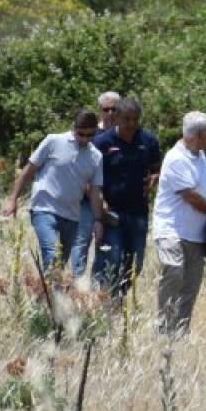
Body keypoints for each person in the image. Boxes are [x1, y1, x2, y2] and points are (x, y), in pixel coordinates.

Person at [3, 110, 108, 273]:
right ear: (74, 128)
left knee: (58, 267)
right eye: (81, 134)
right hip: (44, 210)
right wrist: (12, 199)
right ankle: (50, 294)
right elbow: (28, 171)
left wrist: (99, 220)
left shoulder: (96, 156)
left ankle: (44, 297)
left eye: (90, 135)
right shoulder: (53, 141)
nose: (85, 139)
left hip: (72, 217)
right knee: (52, 257)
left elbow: (95, 192)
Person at [91, 96, 161, 297]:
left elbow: (156, 168)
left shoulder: (148, 141)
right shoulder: (101, 143)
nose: (131, 124)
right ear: (116, 118)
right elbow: (90, 178)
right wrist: (100, 204)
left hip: (139, 213)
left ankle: (119, 298)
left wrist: (154, 179)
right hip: (111, 212)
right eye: (127, 119)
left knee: (135, 264)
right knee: (111, 259)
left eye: (135, 119)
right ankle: (103, 301)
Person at [153, 111, 206, 334]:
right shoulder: (176, 158)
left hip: (195, 232)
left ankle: (179, 333)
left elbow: (204, 189)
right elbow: (191, 197)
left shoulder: (201, 156)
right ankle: (163, 327)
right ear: (198, 135)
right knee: (173, 271)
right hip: (171, 229)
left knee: (190, 285)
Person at [72, 91, 120, 277]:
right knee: (81, 243)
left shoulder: (124, 135)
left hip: (114, 203)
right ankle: (77, 285)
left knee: (108, 250)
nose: (110, 113)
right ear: (100, 110)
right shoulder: (91, 133)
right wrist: (95, 198)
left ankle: (99, 289)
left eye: (114, 109)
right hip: (86, 200)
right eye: (106, 109)